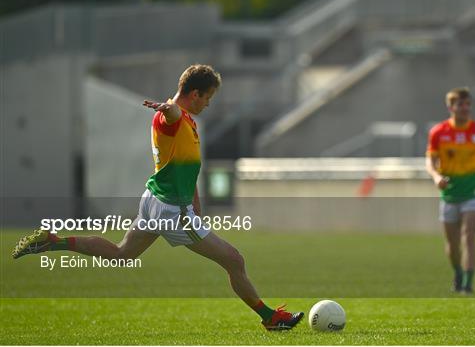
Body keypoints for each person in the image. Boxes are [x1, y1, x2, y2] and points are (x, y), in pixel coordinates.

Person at [12, 64, 304, 330]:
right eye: (207, 97)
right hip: (172, 210)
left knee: (121, 254)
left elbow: (184, 162)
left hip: (156, 200)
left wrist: (196, 201)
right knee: (234, 261)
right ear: (194, 93)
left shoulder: (186, 118)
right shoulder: (174, 117)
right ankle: (270, 318)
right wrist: (168, 108)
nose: (209, 103)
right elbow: (170, 114)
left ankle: (54, 241)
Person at [426, 87, 475, 294]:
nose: (465, 108)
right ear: (450, 107)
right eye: (461, 104)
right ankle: (458, 272)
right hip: (449, 192)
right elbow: (430, 162)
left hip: (473, 190)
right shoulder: (438, 132)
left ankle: (468, 283)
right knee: (452, 244)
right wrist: (436, 177)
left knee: (468, 235)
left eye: (468, 104)